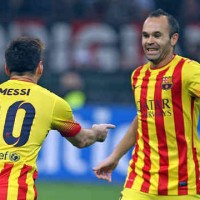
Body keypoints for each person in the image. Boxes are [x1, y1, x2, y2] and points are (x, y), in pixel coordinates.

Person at [93, 8, 200, 200]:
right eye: (145, 35)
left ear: (173, 39)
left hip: (184, 183)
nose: (149, 41)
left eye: (157, 35)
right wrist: (114, 157)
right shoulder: (138, 76)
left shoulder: (189, 71)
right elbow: (143, 118)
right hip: (141, 181)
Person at [0, 36, 115, 200]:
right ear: (40, 68)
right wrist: (97, 133)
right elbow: (81, 140)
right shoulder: (52, 102)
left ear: (6, 68)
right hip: (15, 192)